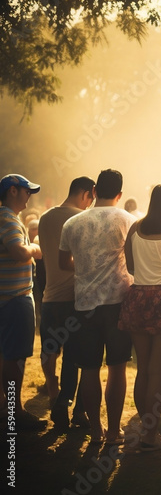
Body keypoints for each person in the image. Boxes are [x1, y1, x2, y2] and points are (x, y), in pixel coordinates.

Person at [59, 169, 135, 445]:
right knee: (117, 369)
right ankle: (114, 432)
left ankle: (95, 431)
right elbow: (135, 261)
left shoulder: (73, 223)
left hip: (84, 305)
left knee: (89, 370)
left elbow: (62, 263)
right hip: (118, 304)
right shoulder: (129, 220)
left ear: (94, 192)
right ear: (119, 194)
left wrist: (85, 266)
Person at [119, 184, 161, 451]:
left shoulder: (134, 228)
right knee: (159, 372)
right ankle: (151, 435)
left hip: (137, 298)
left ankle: (145, 429)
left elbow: (132, 267)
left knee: (143, 369)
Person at [38, 176, 95, 429]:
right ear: (85, 193)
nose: (90, 204)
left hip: (50, 298)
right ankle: (72, 406)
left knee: (50, 349)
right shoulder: (81, 219)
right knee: (76, 355)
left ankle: (54, 393)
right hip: (75, 297)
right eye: (91, 198)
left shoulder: (44, 217)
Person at [0, 173, 47, 430]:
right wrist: (36, 249)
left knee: (5, 355)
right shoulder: (7, 218)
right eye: (27, 190)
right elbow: (19, 251)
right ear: (13, 191)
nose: (29, 196)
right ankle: (14, 412)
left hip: (7, 297)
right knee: (15, 358)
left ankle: (5, 408)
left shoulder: (8, 218)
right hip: (15, 299)